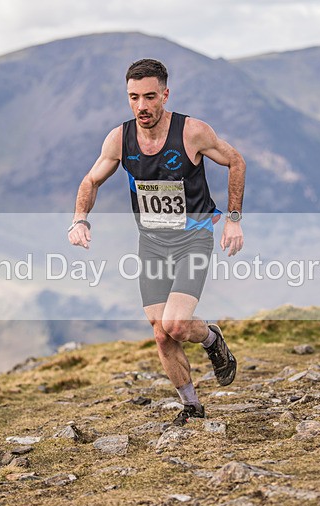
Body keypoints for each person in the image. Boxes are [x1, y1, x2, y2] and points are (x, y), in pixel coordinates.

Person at [68, 59, 244, 426]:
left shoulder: (192, 131)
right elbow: (91, 180)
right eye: (134, 97)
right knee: (161, 333)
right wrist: (79, 219)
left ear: (165, 94)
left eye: (150, 97)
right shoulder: (119, 138)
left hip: (193, 238)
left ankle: (212, 339)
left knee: (178, 325)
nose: (142, 106)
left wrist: (233, 220)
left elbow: (236, 161)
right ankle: (192, 406)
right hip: (151, 244)